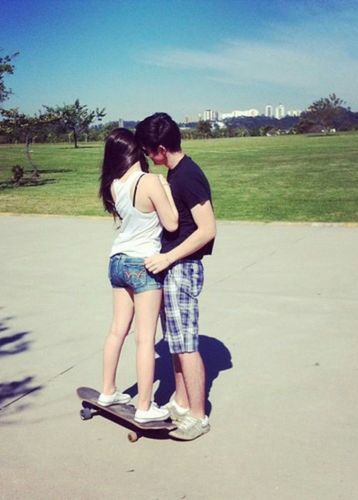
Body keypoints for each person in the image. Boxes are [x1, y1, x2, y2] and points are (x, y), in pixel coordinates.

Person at [135, 112, 216, 440]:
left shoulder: (189, 176)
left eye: (147, 151)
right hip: (173, 267)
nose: (146, 157)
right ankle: (181, 403)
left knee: (186, 344)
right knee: (175, 342)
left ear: (160, 149)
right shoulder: (175, 173)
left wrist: (168, 257)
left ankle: (198, 416)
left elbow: (207, 229)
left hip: (183, 267)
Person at [98, 128, 179, 423]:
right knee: (145, 338)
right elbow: (171, 223)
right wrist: (165, 187)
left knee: (117, 330)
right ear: (137, 151)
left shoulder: (113, 185)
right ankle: (145, 406)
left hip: (117, 261)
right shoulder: (149, 181)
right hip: (143, 264)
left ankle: (107, 390)